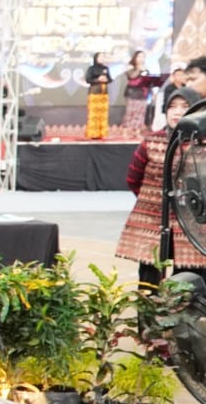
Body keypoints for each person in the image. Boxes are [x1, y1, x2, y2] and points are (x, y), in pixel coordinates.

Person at [117, 84, 206, 287]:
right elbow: (133, 178)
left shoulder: (202, 145)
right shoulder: (151, 141)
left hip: (194, 225)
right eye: (172, 106)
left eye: (184, 106)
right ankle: (147, 318)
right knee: (150, 280)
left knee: (190, 281)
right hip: (151, 220)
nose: (177, 111)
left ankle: (182, 319)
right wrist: (156, 199)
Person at [120, 49, 162, 131]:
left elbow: (149, 83)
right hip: (132, 94)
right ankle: (127, 131)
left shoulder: (146, 69)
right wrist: (138, 69)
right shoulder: (130, 68)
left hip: (143, 94)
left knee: (141, 114)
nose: (141, 58)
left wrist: (153, 93)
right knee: (131, 113)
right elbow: (132, 76)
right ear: (135, 58)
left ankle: (137, 131)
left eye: (143, 56)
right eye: (139, 56)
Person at [85, 51, 112, 139]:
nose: (102, 58)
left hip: (104, 94)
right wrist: (98, 79)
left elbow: (110, 79)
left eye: (103, 57)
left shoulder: (106, 68)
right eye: (100, 57)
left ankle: (102, 133)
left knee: (103, 114)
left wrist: (106, 79)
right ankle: (93, 133)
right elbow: (88, 80)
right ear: (96, 58)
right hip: (94, 94)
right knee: (94, 114)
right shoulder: (91, 68)